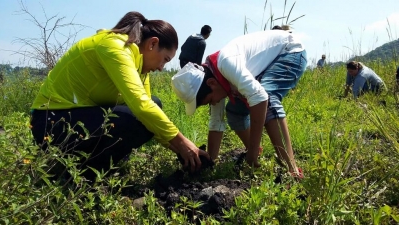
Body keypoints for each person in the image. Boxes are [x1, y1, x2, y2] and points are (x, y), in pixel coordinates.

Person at [30, 11, 210, 181]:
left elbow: (149, 108)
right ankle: (83, 175)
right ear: (152, 44)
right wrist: (182, 141)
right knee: (133, 117)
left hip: (78, 119)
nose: (162, 67)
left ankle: (94, 166)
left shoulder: (139, 66)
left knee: (154, 103)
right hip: (49, 122)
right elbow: (140, 106)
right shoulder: (116, 47)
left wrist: (181, 150)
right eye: (165, 59)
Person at [171, 30, 306, 177]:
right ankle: (255, 152)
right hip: (263, 68)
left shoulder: (226, 64)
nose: (214, 102)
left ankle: (292, 171)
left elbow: (261, 98)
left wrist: (251, 154)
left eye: (210, 100)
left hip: (289, 51)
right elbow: (216, 123)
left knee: (268, 99)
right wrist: (210, 161)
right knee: (235, 112)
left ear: (211, 83)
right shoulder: (213, 78)